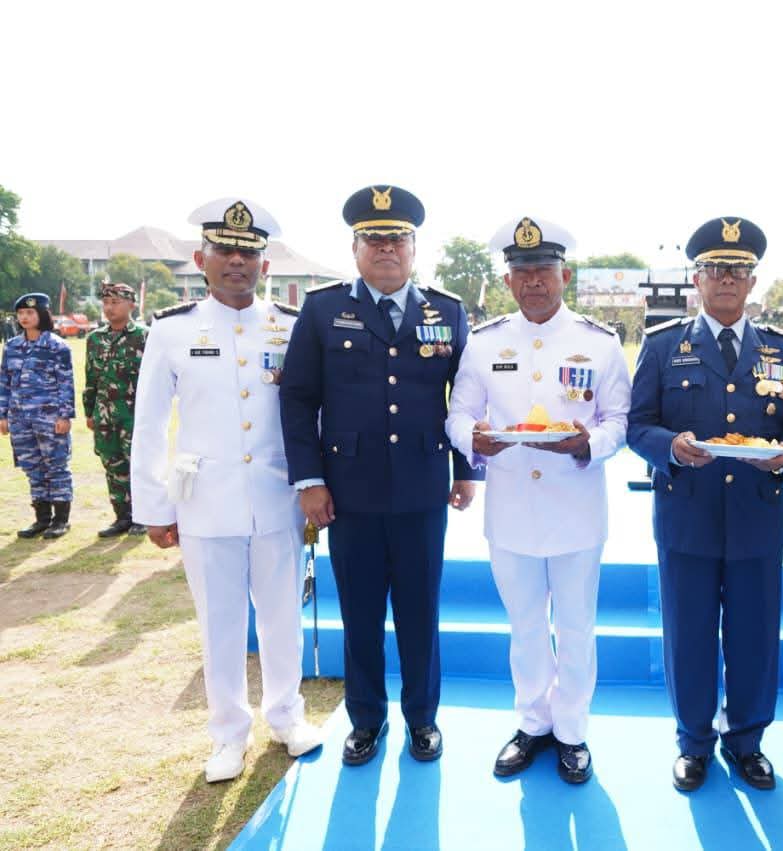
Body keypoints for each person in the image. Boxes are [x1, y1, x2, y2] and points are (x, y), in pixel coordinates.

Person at [279, 185, 480, 767]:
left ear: (414, 248)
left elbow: (465, 398)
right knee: (360, 614)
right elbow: (298, 399)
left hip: (422, 488)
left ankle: (422, 718)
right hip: (349, 492)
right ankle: (366, 719)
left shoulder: (446, 311)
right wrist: (309, 480)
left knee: (420, 611)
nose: (386, 248)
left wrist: (466, 469)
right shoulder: (322, 310)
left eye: (397, 238)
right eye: (374, 239)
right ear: (355, 248)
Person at [131, 199, 325, 783]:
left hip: (277, 498)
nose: (237, 261)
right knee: (219, 623)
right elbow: (149, 423)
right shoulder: (171, 330)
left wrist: (316, 485)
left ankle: (287, 716)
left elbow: (314, 414)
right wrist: (154, 506)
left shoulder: (293, 327)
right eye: (224, 250)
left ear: (265, 264)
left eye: (248, 252)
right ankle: (227, 734)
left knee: (283, 616)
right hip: (205, 501)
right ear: (201, 260)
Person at [628, 217, 783, 792]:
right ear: (697, 279)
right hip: (687, 514)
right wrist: (672, 448)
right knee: (688, 635)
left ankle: (747, 741)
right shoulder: (664, 345)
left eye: (738, 270)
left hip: (757, 513)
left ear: (753, 281)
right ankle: (693, 742)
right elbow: (638, 425)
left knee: (755, 635)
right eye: (715, 269)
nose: (727, 278)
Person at [444, 216, 631, 784]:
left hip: (575, 509)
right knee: (525, 626)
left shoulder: (599, 343)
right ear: (508, 281)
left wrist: (589, 443)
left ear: (565, 276)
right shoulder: (484, 342)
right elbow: (459, 413)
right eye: (522, 272)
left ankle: (571, 731)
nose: (533, 282)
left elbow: (619, 420)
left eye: (544, 270)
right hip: (511, 511)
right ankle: (532, 723)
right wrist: (471, 438)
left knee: (575, 627)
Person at [0, 292, 75, 538]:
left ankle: (61, 520)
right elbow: (4, 382)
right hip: (20, 419)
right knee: (32, 468)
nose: (24, 317)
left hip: (49, 419)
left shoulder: (57, 346)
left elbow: (66, 383)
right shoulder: (12, 347)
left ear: (42, 314)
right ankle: (42, 519)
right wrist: (3, 415)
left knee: (56, 467)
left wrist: (65, 416)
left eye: (30, 313)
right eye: (21, 313)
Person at [83, 281, 148, 537]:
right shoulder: (95, 339)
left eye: (115, 302)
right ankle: (122, 517)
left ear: (131, 304)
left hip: (135, 416)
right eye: (106, 303)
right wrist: (89, 412)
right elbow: (91, 378)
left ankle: (143, 517)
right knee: (112, 466)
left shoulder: (145, 336)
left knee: (138, 466)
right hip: (104, 416)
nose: (109, 308)